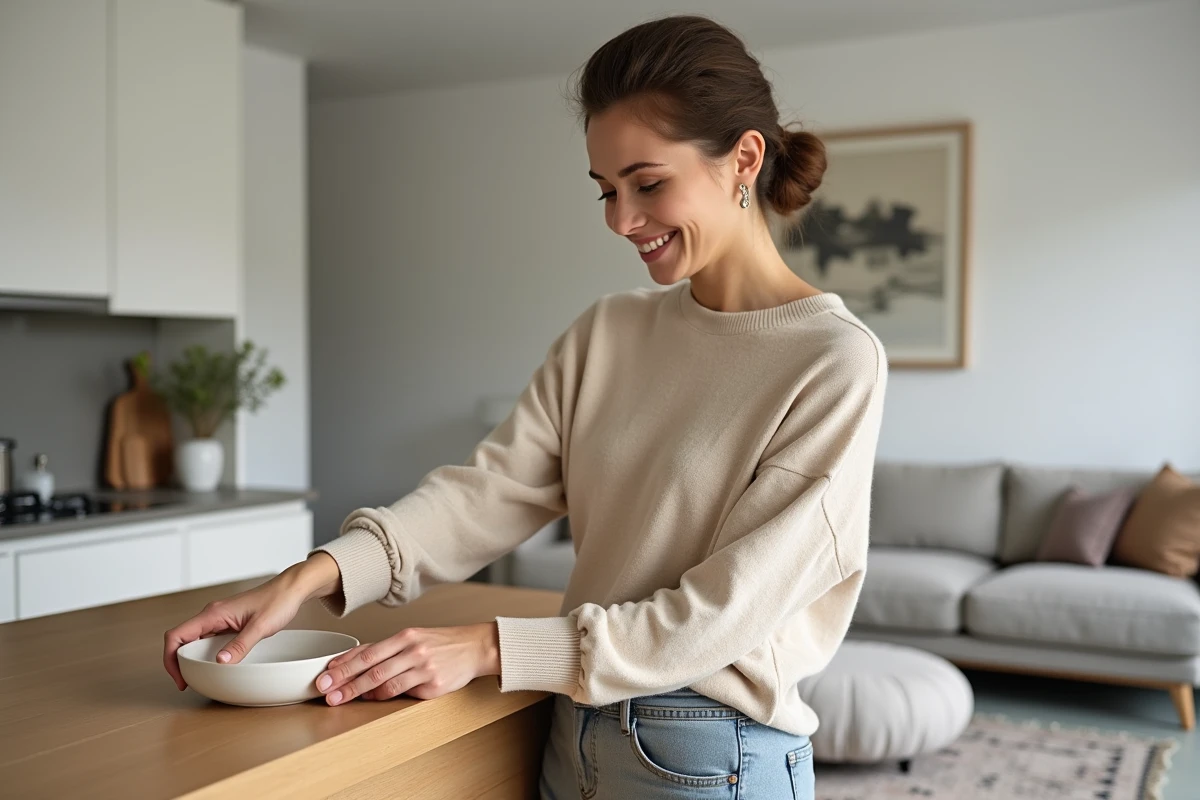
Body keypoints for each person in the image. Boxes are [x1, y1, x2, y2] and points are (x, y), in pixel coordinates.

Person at [163, 14, 888, 799]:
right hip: (570, 730)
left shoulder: (831, 361)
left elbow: (722, 613)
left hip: (712, 749)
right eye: (607, 190)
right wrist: (312, 576)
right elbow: (489, 494)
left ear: (744, 157)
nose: (620, 220)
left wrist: (491, 647)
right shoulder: (609, 331)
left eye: (648, 184)